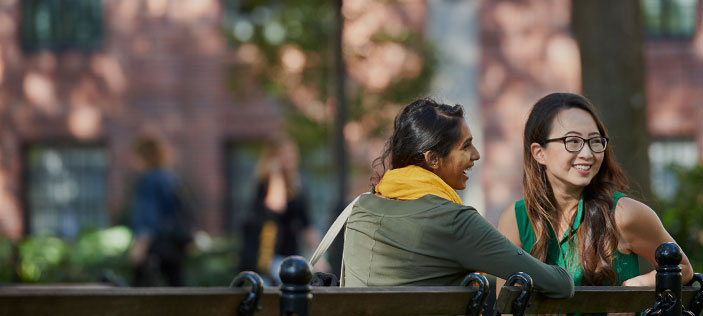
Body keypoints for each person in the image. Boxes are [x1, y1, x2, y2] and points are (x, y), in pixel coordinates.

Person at [341, 98, 574, 298]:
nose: (476, 155)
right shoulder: (452, 220)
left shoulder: (362, 209)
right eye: (466, 146)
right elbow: (558, 285)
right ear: (433, 159)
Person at [497, 93, 693, 291]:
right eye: (573, 141)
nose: (587, 153)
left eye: (595, 141)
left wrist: (638, 284)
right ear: (539, 153)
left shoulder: (624, 214)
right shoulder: (515, 220)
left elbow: (683, 268)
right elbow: (504, 305)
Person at [239, 139, 327, 285]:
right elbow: (276, 206)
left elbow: (307, 225)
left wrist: (319, 256)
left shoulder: (298, 188)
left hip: (289, 256)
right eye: (285, 155)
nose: (290, 159)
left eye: (293, 154)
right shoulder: (266, 183)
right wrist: (276, 173)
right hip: (265, 257)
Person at [129, 136, 191, 286]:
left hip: (156, 248)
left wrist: (140, 247)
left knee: (144, 296)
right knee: (175, 292)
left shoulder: (150, 180)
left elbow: (149, 217)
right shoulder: (172, 179)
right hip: (175, 247)